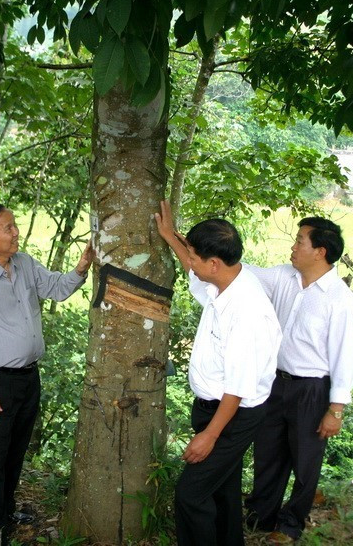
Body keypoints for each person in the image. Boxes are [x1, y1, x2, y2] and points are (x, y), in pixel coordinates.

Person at [0, 203, 92, 546]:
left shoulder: (25, 263)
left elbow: (57, 289)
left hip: (29, 378)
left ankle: (5, 515)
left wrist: (81, 267)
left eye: (15, 225)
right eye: (8, 228)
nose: (16, 232)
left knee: (16, 452)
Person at [154, 202, 282, 546]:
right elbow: (193, 269)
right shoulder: (224, 282)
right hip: (213, 408)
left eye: (195, 257)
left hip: (233, 416)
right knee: (222, 490)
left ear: (214, 263)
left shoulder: (247, 311)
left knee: (191, 494)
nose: (190, 263)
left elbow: (237, 388)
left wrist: (210, 435)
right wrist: (170, 237)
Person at [243, 216, 353, 543]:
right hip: (275, 383)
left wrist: (335, 410)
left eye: (300, 241)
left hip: (312, 390)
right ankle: (260, 517)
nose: (293, 247)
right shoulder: (284, 276)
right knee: (268, 453)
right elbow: (242, 271)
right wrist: (204, 248)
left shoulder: (340, 300)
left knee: (306, 461)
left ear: (320, 251)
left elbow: (344, 357)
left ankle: (290, 525)